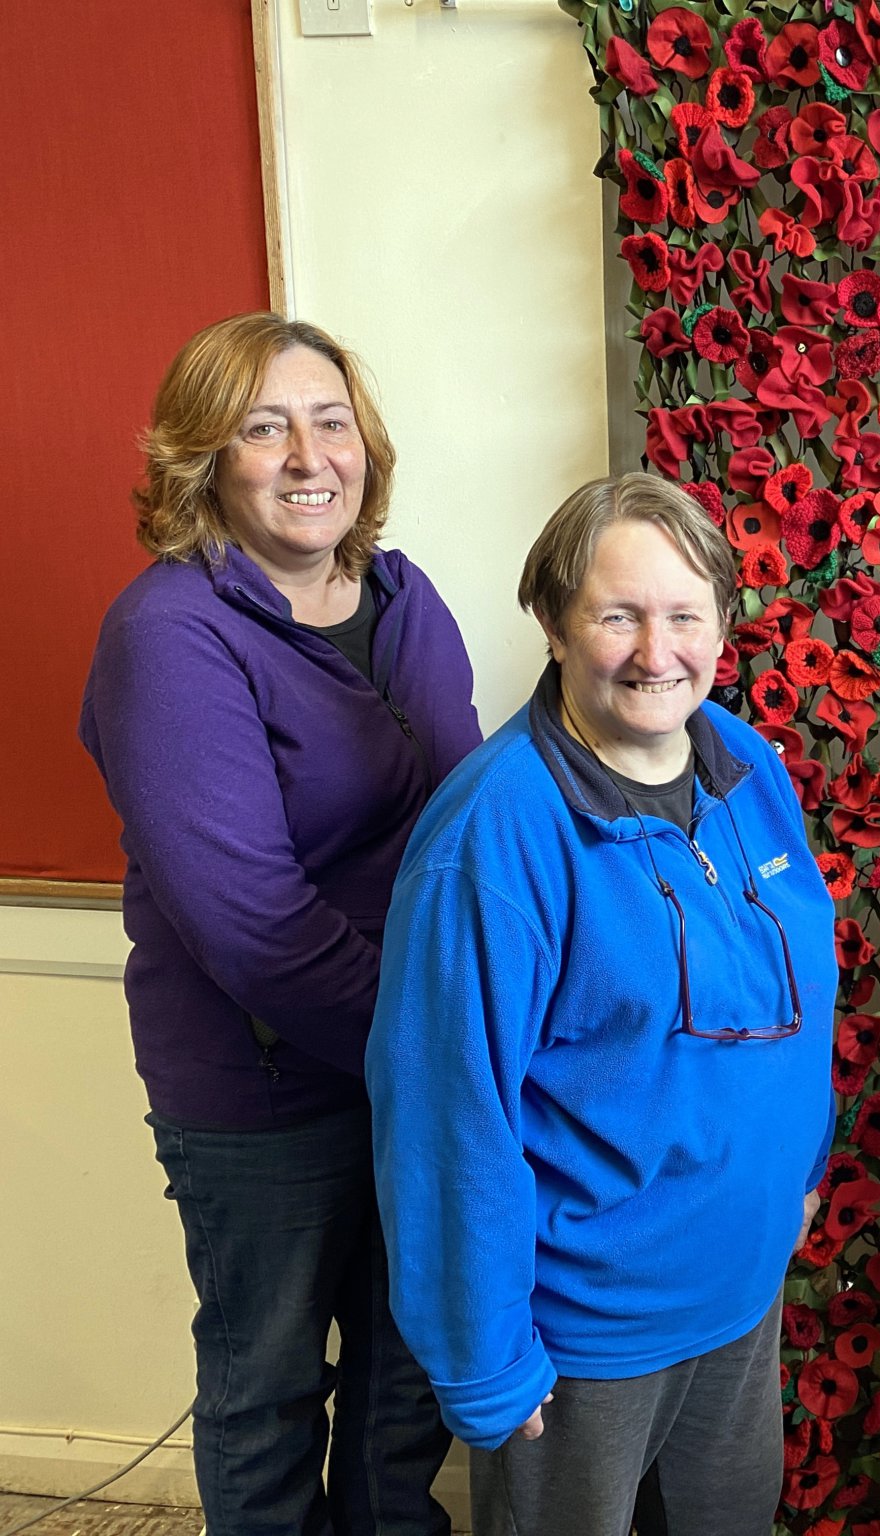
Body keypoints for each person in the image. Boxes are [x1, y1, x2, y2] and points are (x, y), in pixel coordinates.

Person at [366, 472, 837, 1536]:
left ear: (720, 624)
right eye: (617, 614)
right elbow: (445, 1114)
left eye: (684, 615)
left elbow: (799, 995)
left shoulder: (746, 766)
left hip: (737, 1289)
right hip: (588, 1331)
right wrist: (481, 1356)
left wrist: (799, 1174)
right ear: (552, 622)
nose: (654, 650)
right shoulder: (493, 837)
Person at [79, 313, 480, 1535]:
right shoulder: (169, 635)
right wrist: (437, 1043)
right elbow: (252, 922)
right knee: (267, 1393)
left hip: (411, 1072)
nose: (310, 455)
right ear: (205, 459)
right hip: (264, 1092)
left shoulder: (406, 598)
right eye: (265, 428)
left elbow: (469, 835)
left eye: (330, 419)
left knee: (401, 1387)